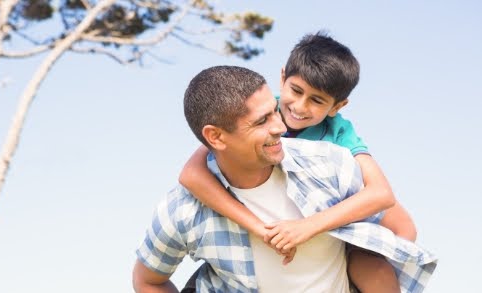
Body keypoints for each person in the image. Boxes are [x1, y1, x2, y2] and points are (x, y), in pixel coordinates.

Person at [133, 66, 437, 293]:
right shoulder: (183, 211)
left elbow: (397, 221)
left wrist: (364, 260)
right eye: (262, 120)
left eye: (274, 111)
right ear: (216, 136)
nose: (281, 126)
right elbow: (147, 281)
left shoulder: (329, 164)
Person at [179, 32, 416, 292]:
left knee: (373, 266)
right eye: (296, 90)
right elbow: (191, 175)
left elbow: (382, 195)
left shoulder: (338, 135)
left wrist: (310, 229)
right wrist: (259, 229)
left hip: (330, 237)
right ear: (282, 78)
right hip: (258, 246)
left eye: (317, 100)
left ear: (337, 106)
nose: (300, 107)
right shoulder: (258, 114)